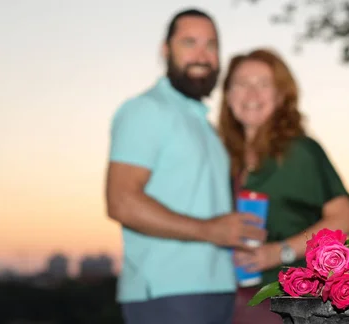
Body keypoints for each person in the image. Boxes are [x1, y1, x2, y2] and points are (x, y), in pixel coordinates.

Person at [105, 8, 267, 324]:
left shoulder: (204, 124)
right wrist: (209, 230)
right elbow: (121, 202)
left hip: (219, 290)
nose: (202, 55)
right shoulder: (145, 110)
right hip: (168, 295)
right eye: (189, 42)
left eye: (211, 45)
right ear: (165, 51)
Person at [217, 48, 349, 323]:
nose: (252, 94)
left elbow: (345, 220)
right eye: (242, 84)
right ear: (228, 96)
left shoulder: (302, 151)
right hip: (229, 302)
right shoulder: (221, 159)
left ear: (281, 96)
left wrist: (278, 251)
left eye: (263, 84)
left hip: (290, 303)